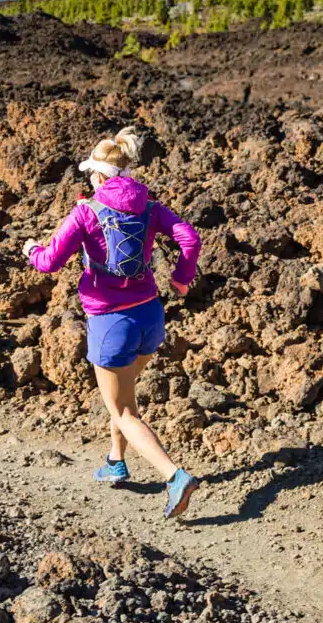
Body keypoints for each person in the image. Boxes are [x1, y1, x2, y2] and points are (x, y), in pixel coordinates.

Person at [23, 127, 202, 519]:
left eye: (91, 175)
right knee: (124, 396)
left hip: (110, 323)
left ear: (101, 176)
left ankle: (174, 476)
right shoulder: (150, 207)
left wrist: (31, 250)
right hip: (151, 317)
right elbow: (189, 239)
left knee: (122, 410)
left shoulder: (86, 211)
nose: (90, 181)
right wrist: (181, 279)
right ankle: (115, 461)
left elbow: (50, 263)